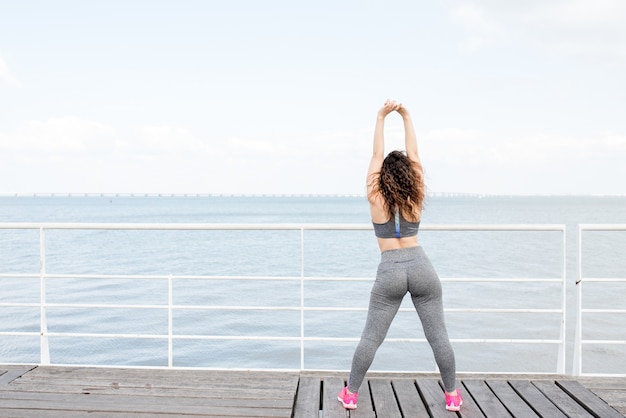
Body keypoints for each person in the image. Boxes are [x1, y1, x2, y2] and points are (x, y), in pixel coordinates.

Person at [337, 100, 463, 412]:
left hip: (390, 269)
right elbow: (416, 155)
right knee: (439, 338)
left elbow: (375, 155)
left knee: (371, 339)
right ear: (408, 174)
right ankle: (452, 397)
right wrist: (406, 116)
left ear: (382, 176)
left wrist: (381, 117)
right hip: (421, 266)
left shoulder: (374, 195)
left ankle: (350, 395)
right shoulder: (416, 193)